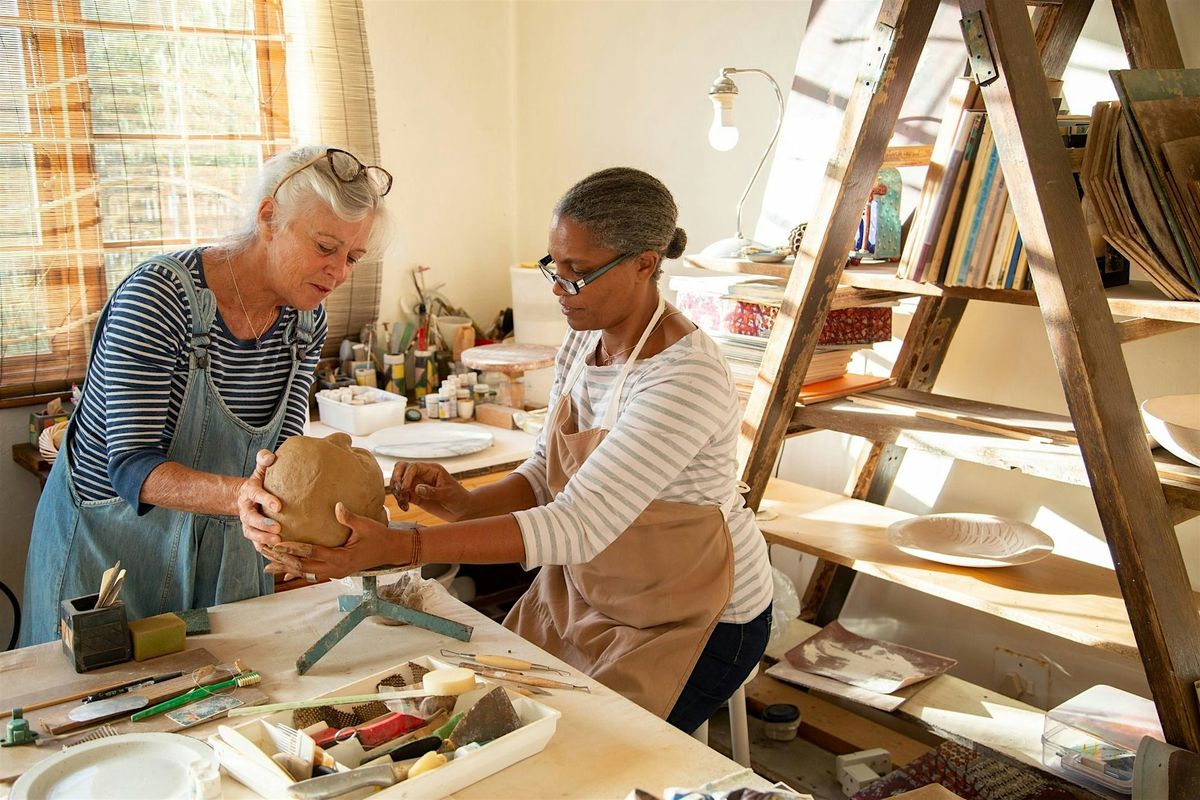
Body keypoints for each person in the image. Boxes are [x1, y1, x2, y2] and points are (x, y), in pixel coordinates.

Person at [240, 167, 773, 733]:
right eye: (554, 266)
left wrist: (404, 545)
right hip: (588, 594)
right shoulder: (584, 338)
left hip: (692, 620)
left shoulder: (684, 376)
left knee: (588, 753)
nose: (558, 289)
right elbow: (545, 474)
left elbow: (577, 524)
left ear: (645, 263)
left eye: (579, 273)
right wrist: (467, 503)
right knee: (483, 728)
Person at [20, 146, 391, 646]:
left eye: (353, 257)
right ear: (269, 218)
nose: (339, 272)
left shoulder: (305, 322)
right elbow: (130, 466)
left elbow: (278, 461)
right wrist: (241, 497)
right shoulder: (158, 299)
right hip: (110, 557)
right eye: (326, 248)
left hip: (219, 555)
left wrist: (295, 527)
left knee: (224, 686)